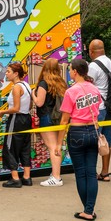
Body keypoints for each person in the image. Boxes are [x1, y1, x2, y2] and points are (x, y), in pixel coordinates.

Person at [55, 59, 102, 221]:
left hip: (77, 132)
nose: (69, 72)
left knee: (81, 174)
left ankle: (87, 211)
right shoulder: (95, 89)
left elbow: (64, 121)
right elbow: (98, 111)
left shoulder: (71, 92)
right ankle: (90, 209)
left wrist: (59, 142)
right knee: (91, 172)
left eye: (70, 69)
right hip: (93, 132)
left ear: (75, 71)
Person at [31, 58, 67, 187]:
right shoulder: (61, 83)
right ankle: (55, 174)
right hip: (59, 117)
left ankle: (56, 177)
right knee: (57, 146)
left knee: (52, 147)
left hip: (47, 117)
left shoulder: (43, 83)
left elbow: (39, 102)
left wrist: (33, 95)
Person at [0, 62, 32, 188]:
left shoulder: (16, 87)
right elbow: (30, 104)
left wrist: (2, 112)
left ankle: (15, 178)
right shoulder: (26, 85)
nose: (6, 74)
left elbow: (16, 108)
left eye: (8, 71)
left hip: (16, 119)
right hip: (27, 118)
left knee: (9, 147)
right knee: (25, 146)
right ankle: (27, 177)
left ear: (16, 74)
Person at [88, 39, 111, 182]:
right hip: (110, 106)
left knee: (93, 141)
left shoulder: (93, 66)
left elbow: (87, 85)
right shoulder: (110, 62)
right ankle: (105, 172)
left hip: (97, 108)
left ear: (91, 51)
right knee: (107, 141)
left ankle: (91, 172)